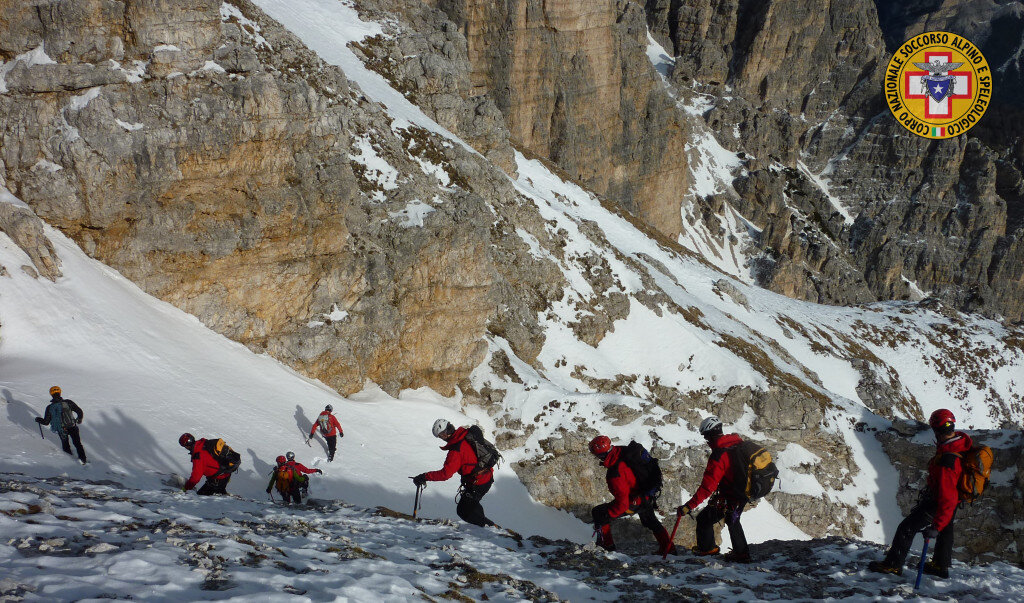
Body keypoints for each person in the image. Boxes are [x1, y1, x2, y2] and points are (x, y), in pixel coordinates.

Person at [869, 409, 972, 578]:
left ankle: (893, 565)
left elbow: (948, 498)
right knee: (947, 529)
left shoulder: (948, 459)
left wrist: (936, 527)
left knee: (906, 528)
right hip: (952, 499)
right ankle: (940, 566)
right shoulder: (958, 444)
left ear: (936, 430)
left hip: (939, 501)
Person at [676, 416, 751, 562]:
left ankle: (713, 551)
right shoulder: (737, 443)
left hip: (732, 494)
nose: (706, 440)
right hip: (745, 490)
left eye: (706, 436)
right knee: (730, 518)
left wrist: (689, 506)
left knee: (708, 519)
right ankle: (738, 553)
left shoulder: (719, 454)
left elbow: (707, 487)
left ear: (710, 435)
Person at [588, 435, 675, 555]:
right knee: (650, 520)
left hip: (634, 500)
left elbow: (622, 503)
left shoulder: (615, 472)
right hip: (645, 494)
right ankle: (669, 548)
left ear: (601, 455)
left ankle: (607, 547)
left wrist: (609, 514)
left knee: (599, 512)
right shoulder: (622, 452)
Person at [412, 419, 496, 527]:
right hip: (484, 477)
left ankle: (490, 529)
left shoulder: (456, 450)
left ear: (444, 434)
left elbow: (445, 474)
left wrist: (424, 477)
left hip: (479, 482)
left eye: (440, 436)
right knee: (469, 506)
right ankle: (489, 527)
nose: (441, 438)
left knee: (464, 511)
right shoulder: (464, 434)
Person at [35, 386, 87, 464]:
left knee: (65, 445)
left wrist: (38, 419)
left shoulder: (50, 407)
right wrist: (79, 419)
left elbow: (46, 422)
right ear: (60, 392)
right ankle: (83, 460)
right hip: (72, 426)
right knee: (77, 443)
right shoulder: (68, 402)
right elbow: (79, 411)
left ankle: (70, 462)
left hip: (61, 429)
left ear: (51, 394)